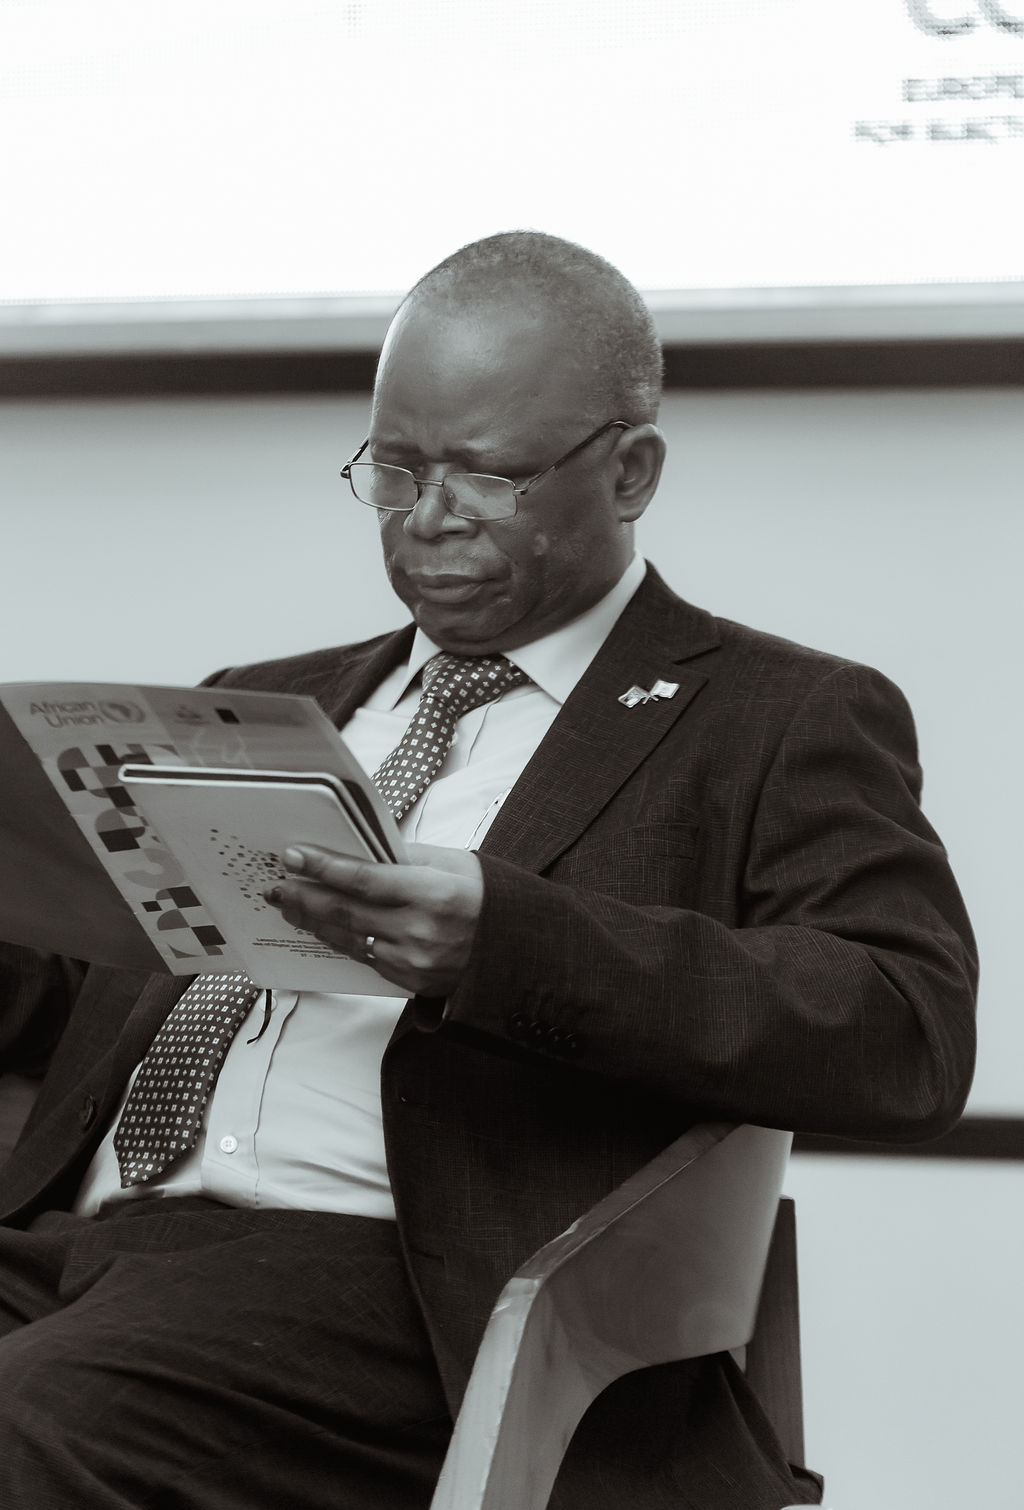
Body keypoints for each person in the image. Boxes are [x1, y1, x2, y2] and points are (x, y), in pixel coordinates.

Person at [0, 231, 976, 1509]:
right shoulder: (262, 699)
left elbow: (903, 1032)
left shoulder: (772, 716)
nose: (426, 516)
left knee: (26, 1420)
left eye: (487, 474)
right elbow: (86, 1009)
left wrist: (502, 942)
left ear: (630, 471)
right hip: (75, 1246)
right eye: (394, 468)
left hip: (395, 1285)